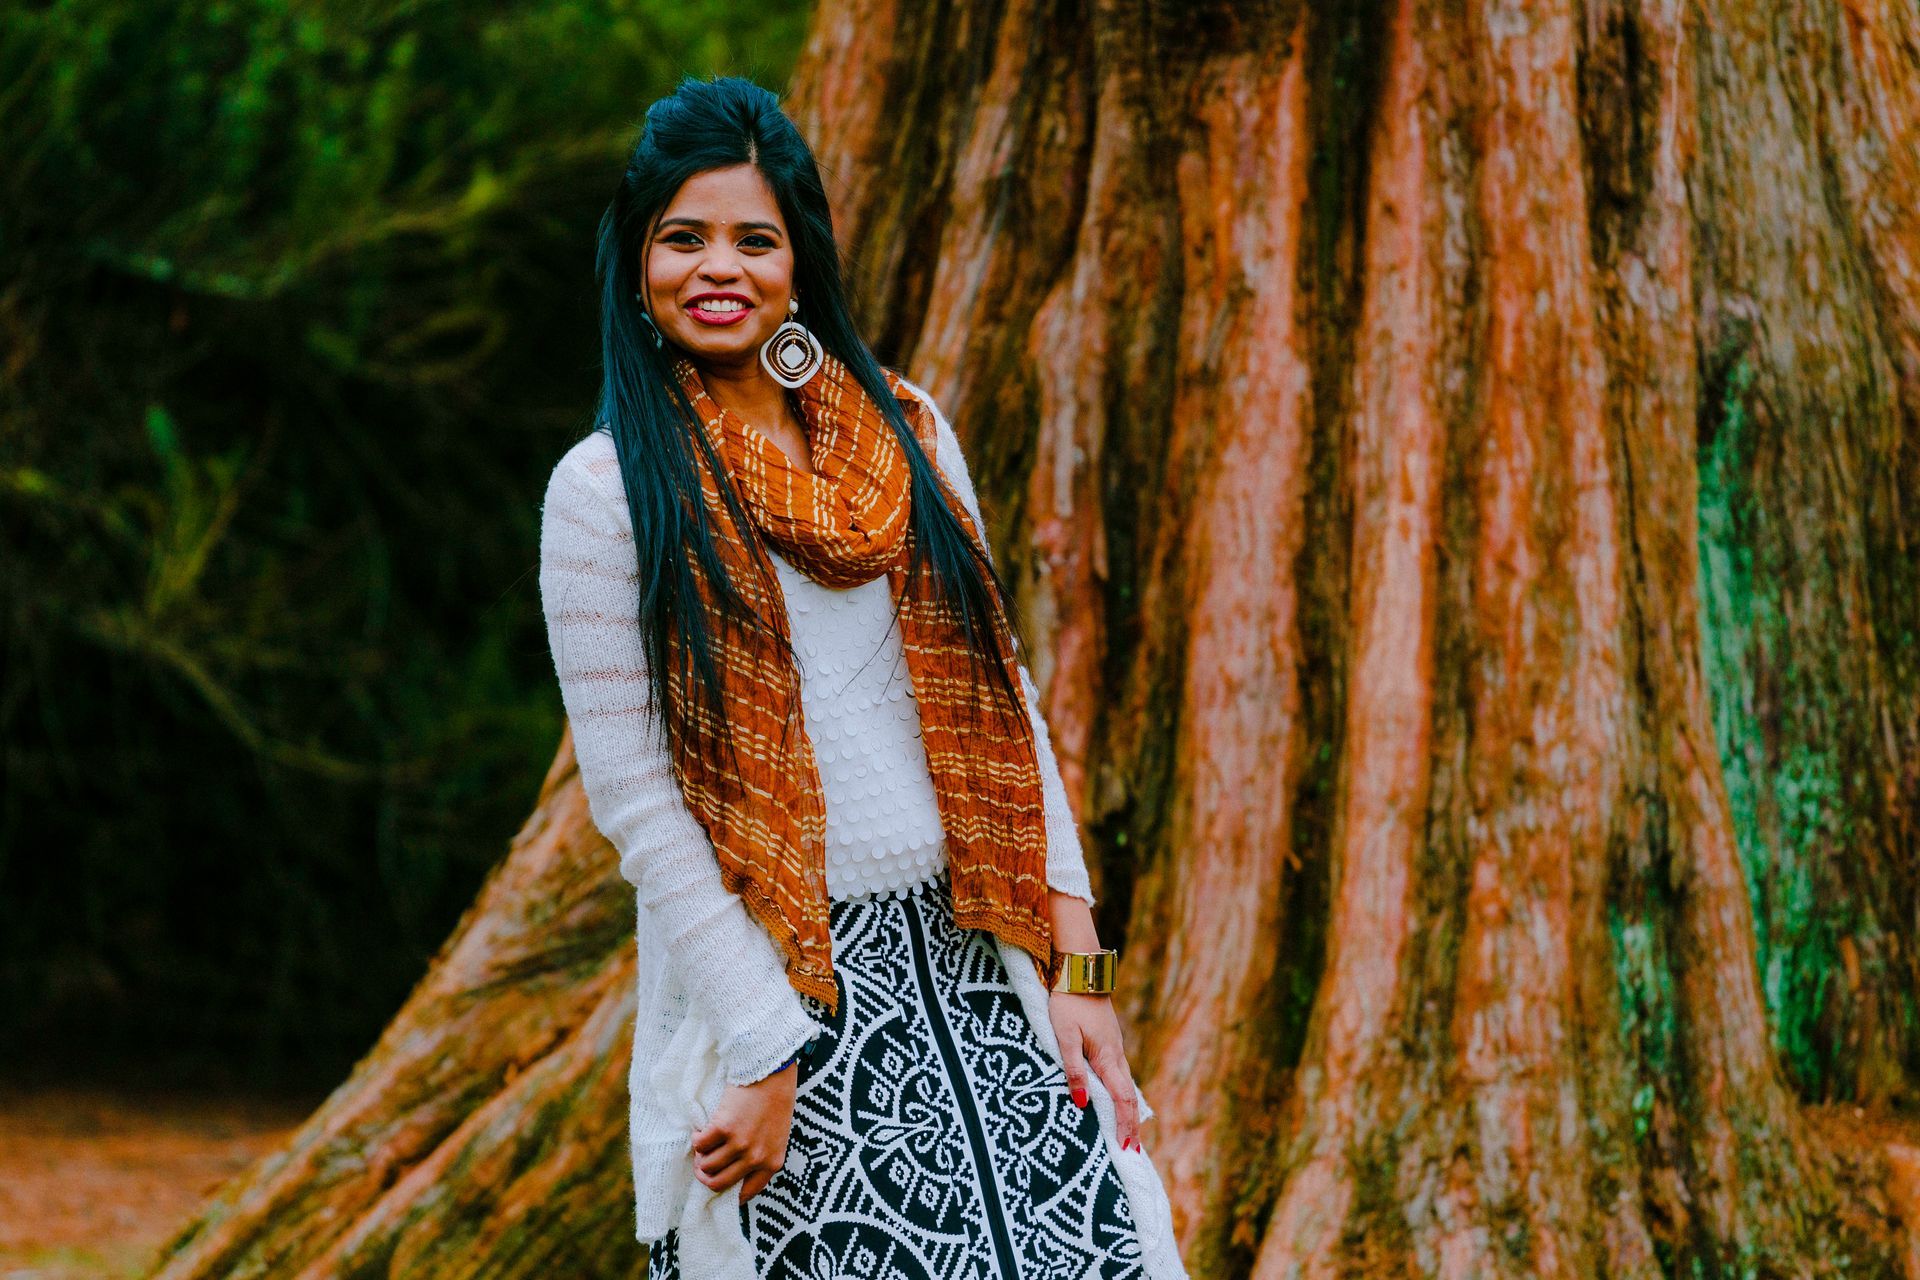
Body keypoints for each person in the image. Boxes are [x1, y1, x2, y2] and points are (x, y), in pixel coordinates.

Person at [538, 74, 1187, 1279]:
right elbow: (637, 802)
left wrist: (1079, 968)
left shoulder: (909, 431)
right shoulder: (605, 492)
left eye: (753, 238)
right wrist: (761, 1044)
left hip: (980, 959)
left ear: (800, 264)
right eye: (683, 237)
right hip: (783, 978)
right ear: (636, 265)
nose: (717, 266)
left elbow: (1009, 705)